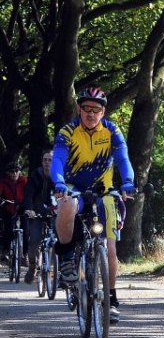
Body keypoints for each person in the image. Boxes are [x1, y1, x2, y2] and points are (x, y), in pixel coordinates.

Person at [50, 87, 135, 324]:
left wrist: (128, 181)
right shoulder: (68, 131)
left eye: (96, 110)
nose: (90, 114)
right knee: (66, 206)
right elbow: (57, 159)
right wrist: (58, 182)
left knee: (109, 248)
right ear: (79, 108)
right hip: (72, 187)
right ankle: (67, 256)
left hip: (103, 191)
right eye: (86, 109)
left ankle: (111, 298)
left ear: (102, 112)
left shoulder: (111, 130)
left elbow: (123, 158)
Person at [22, 150, 55, 284]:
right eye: (45, 160)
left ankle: (61, 268)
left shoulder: (59, 176)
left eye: (50, 160)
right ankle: (32, 266)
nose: (47, 162)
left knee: (63, 237)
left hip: (54, 212)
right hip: (38, 212)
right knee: (34, 239)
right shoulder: (36, 175)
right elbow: (29, 193)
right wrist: (29, 209)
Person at [0, 161, 27, 270]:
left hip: (23, 208)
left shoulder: (24, 181)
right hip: (8, 207)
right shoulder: (3, 183)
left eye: (17, 171)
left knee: (26, 230)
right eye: (12, 171)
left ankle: (25, 255)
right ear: (8, 173)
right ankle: (6, 251)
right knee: (8, 229)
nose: (15, 173)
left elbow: (29, 193)